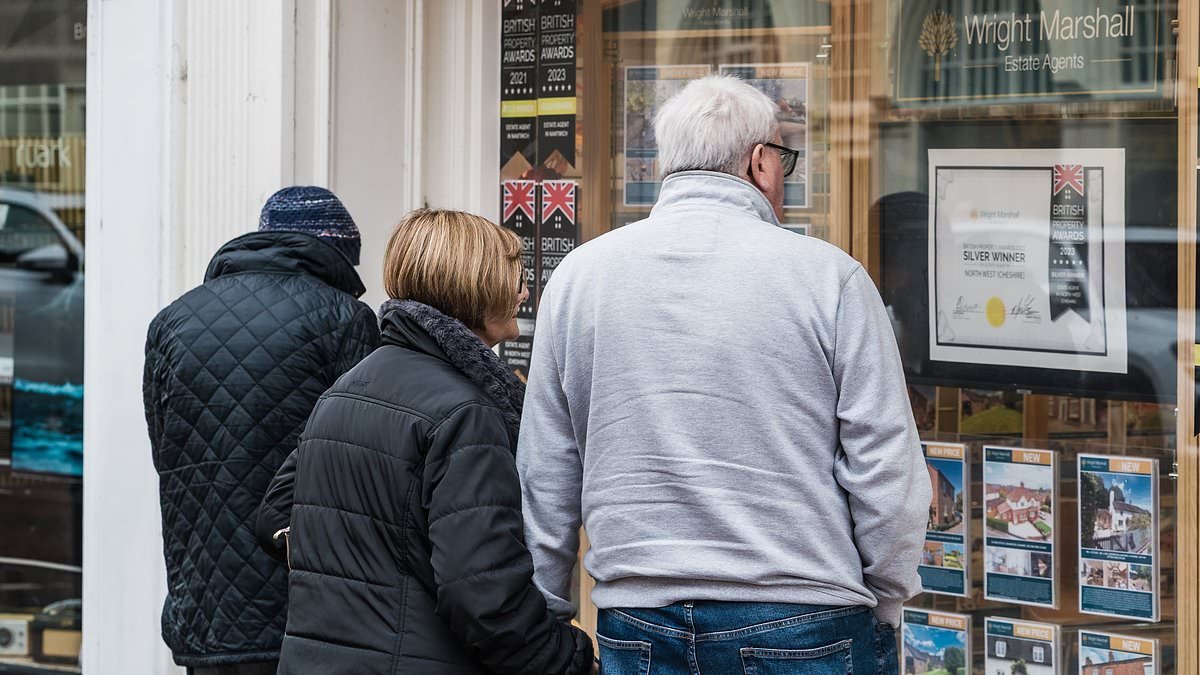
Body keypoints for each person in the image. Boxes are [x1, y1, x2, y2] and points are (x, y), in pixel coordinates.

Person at [517, 75, 931, 674]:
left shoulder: (579, 280)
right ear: (761, 161)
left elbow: (546, 472)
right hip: (805, 616)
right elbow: (886, 467)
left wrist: (551, 613)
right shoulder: (829, 279)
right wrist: (886, 598)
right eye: (782, 161)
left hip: (638, 620)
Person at [257, 209, 594, 675]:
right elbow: (485, 598)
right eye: (513, 277)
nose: (523, 293)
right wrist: (572, 660)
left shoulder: (350, 386)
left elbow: (277, 515)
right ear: (473, 284)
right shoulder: (465, 412)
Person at [143, 186, 379, 674]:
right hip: (305, 609)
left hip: (203, 607)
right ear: (336, 254)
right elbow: (362, 468)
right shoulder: (345, 319)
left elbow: (163, 451)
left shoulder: (172, 322)